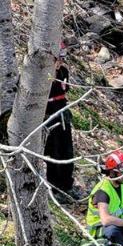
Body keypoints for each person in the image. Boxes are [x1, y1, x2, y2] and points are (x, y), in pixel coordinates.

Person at [44, 42, 82, 202]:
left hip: (62, 112)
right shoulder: (44, 75)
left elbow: (65, 90)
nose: (60, 62)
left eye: (62, 58)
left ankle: (67, 184)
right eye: (58, 58)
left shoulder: (64, 71)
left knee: (67, 150)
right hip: (49, 114)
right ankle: (55, 187)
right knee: (54, 151)